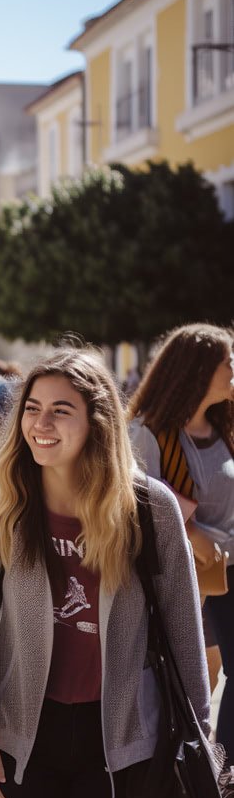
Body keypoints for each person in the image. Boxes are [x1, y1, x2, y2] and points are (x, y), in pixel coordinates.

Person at [0, 348, 210, 798]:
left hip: (125, 741)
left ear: (97, 422)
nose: (41, 423)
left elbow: (184, 630)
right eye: (32, 409)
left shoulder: (150, 510)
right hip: (24, 739)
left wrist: (199, 737)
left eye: (60, 410)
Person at [128, 323, 234, 759]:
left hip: (226, 572)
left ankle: (211, 764)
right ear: (198, 369)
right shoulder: (150, 432)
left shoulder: (224, 424)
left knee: (213, 669)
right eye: (227, 361)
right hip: (184, 577)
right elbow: (136, 501)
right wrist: (191, 533)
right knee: (194, 675)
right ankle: (209, 766)